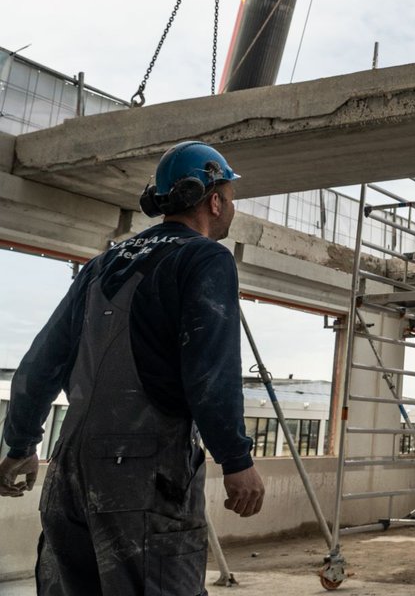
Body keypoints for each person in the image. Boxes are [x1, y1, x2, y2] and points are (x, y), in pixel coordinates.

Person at [0, 140, 265, 595]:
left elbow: (41, 362)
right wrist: (236, 459)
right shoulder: (205, 258)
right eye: (230, 197)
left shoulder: (102, 263)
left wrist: (21, 443)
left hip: (69, 470)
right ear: (214, 200)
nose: (231, 207)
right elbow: (211, 371)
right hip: (143, 477)